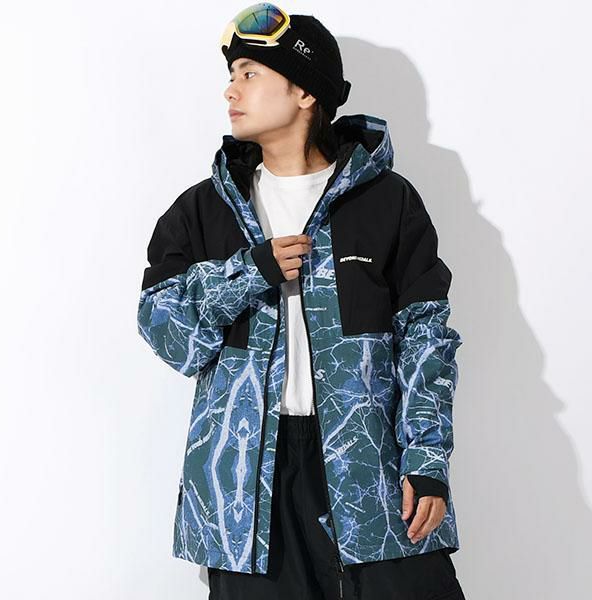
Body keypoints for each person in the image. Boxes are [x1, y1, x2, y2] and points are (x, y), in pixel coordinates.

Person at [137, 3, 467, 599]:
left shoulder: (386, 202)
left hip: (368, 470)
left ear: (305, 92)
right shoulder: (202, 211)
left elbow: (426, 337)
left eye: (249, 73)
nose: (231, 90)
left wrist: (426, 461)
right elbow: (167, 335)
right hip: (244, 490)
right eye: (232, 75)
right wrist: (249, 272)